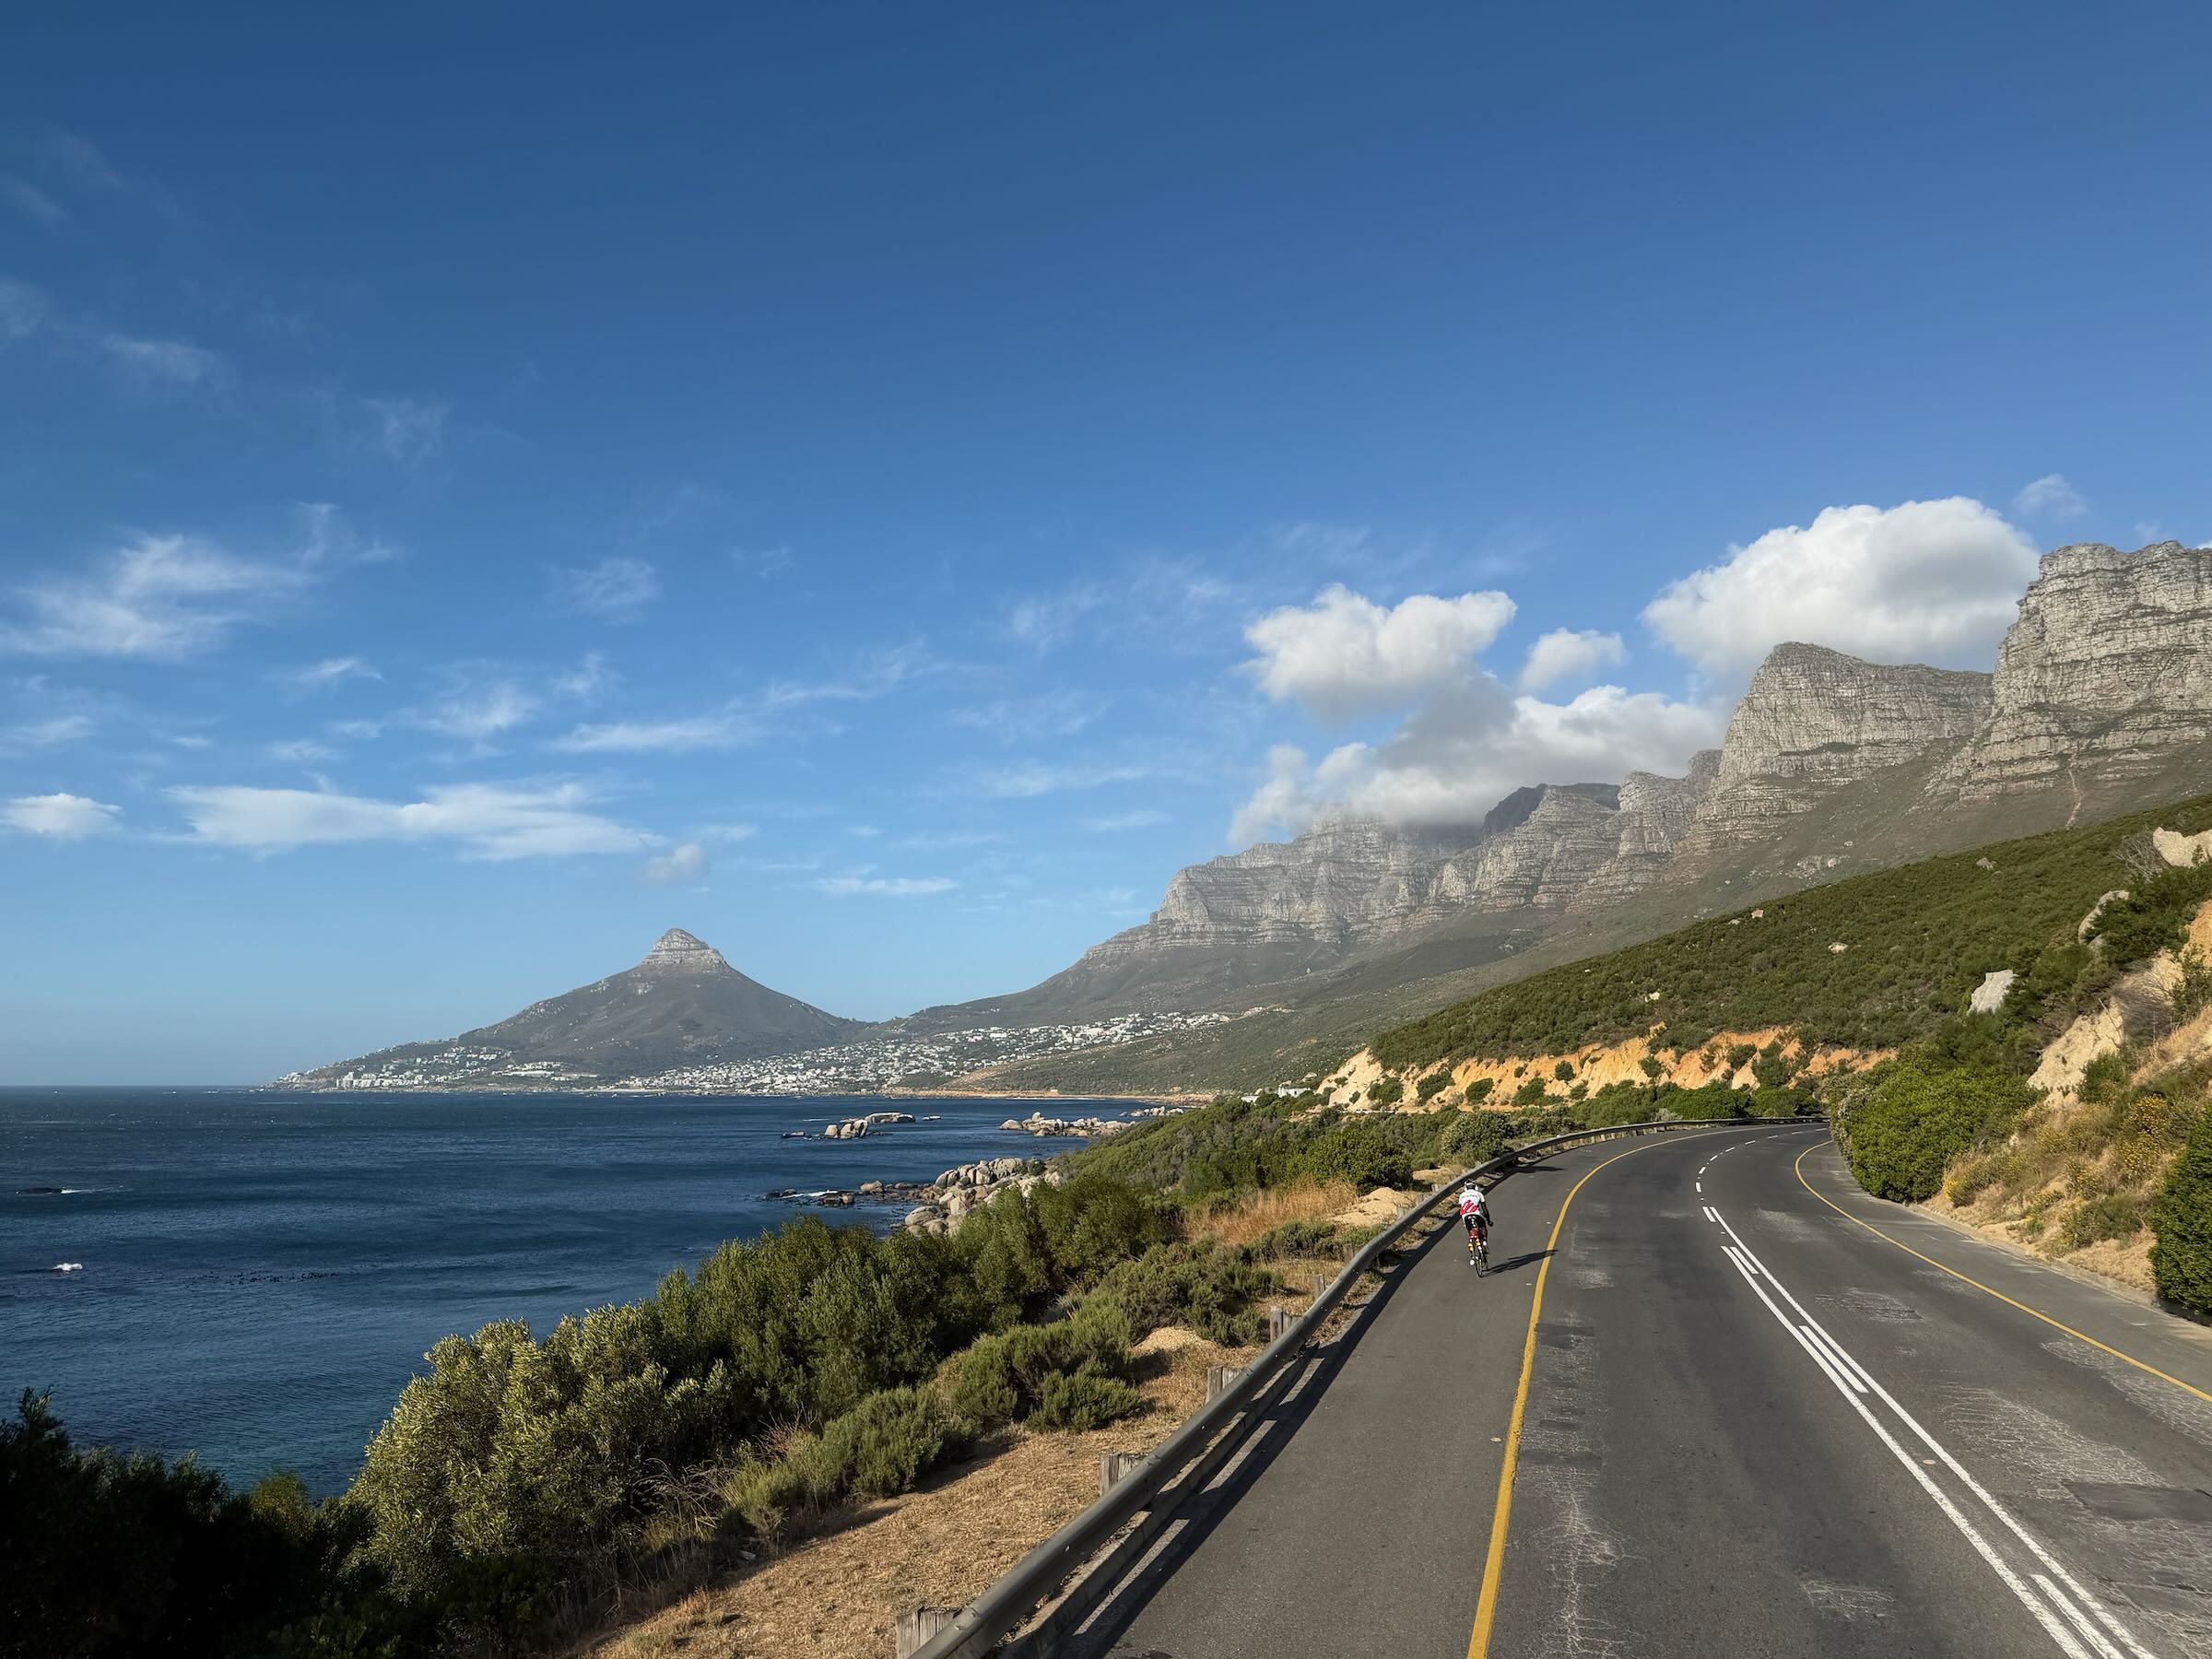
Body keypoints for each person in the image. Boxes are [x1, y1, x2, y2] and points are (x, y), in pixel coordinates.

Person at [1456, 1182, 1490, 1261]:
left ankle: (1472, 1255)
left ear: (1465, 1188)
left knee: (1471, 1233)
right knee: (1482, 1226)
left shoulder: (1461, 1195)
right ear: (1475, 1187)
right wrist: (1488, 1220)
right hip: (1476, 1214)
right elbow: (1485, 1210)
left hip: (1466, 1217)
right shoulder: (1479, 1194)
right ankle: (1484, 1240)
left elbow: (1461, 1209)